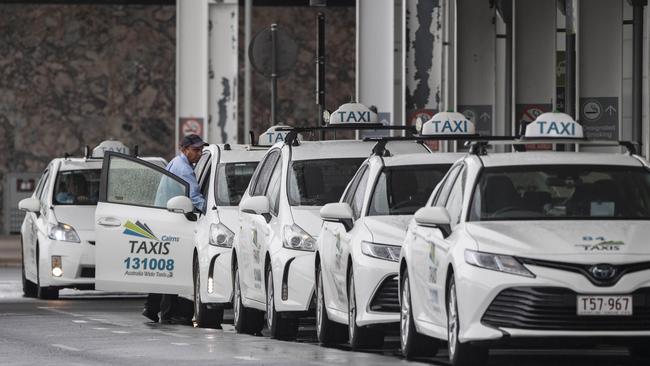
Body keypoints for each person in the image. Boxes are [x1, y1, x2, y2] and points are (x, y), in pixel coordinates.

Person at [142, 134, 208, 324]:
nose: (199, 153)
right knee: (172, 267)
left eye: (200, 150)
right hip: (172, 222)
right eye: (195, 150)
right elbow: (194, 197)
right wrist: (210, 212)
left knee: (164, 266)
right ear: (184, 149)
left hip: (163, 219)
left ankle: (152, 307)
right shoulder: (185, 169)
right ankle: (167, 313)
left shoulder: (175, 162)